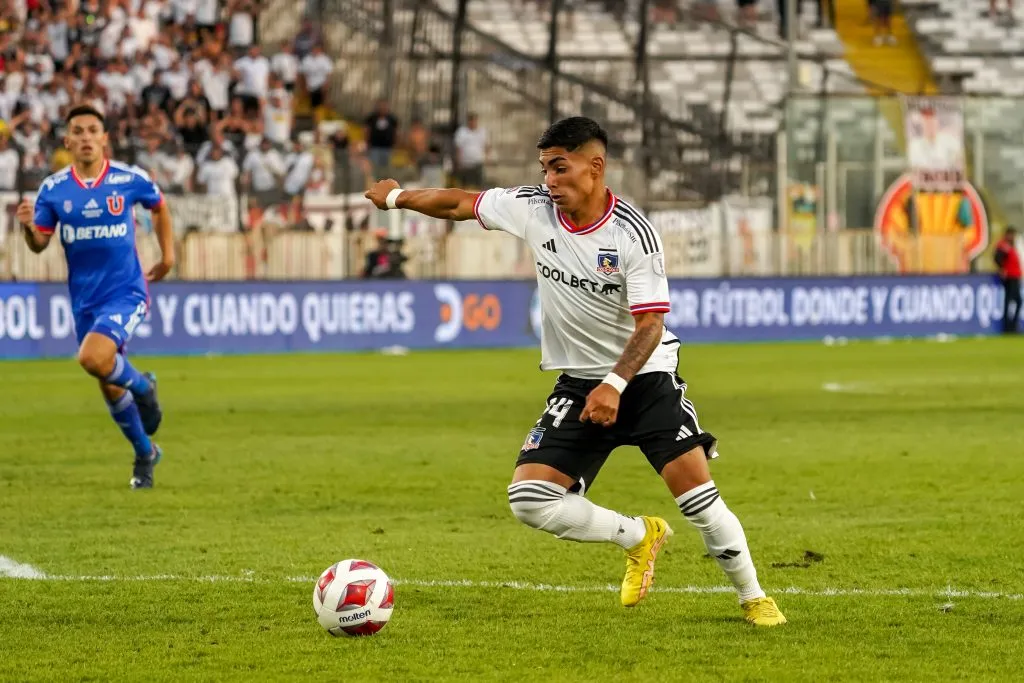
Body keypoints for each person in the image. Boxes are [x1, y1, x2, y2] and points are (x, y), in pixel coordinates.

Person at [364, 117, 786, 626]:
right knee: (530, 499)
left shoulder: (632, 234)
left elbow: (651, 324)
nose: (549, 181)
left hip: (645, 377)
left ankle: (753, 597)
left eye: (560, 168)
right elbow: (458, 203)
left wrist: (615, 384)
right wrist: (396, 198)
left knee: (698, 498)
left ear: (595, 166)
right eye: (544, 168)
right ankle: (638, 535)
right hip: (580, 382)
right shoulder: (533, 209)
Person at [15, 104, 174, 489]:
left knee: (92, 357)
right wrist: (26, 228)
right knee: (106, 380)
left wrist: (168, 255)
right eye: (78, 131)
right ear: (67, 141)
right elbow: (39, 244)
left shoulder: (128, 178)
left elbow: (159, 205)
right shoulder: (54, 189)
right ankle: (144, 454)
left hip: (126, 291)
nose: (86, 137)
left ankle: (144, 387)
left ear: (104, 138)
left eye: (92, 130)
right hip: (84, 300)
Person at [995, 227, 1022, 334]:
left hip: (1015, 276)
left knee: (1013, 301)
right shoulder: (1004, 245)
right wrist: (1002, 269)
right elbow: (997, 258)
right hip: (1010, 277)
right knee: (1012, 301)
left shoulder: (1010, 246)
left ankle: (1011, 326)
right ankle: (1009, 327)